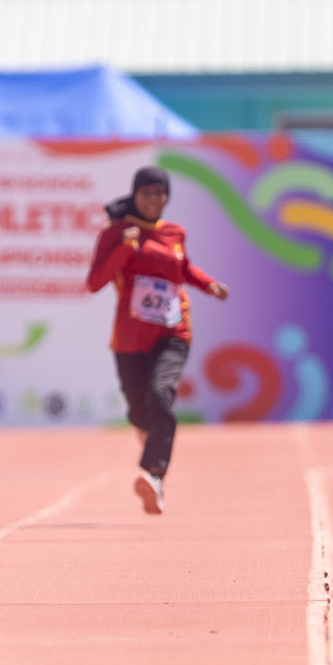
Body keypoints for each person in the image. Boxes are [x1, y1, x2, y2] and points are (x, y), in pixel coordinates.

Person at [87, 166, 229, 514]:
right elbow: (95, 282)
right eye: (147, 193)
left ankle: (153, 475)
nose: (154, 200)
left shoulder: (175, 232)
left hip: (172, 331)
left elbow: (182, 268)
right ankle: (155, 469)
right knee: (139, 412)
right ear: (134, 195)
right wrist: (125, 248)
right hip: (129, 338)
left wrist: (207, 283)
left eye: (160, 193)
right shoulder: (116, 231)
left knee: (161, 393)